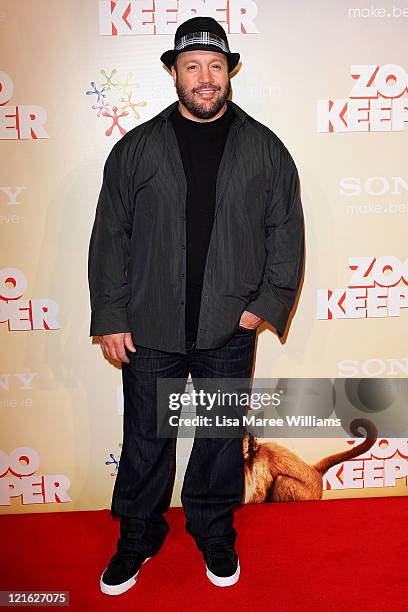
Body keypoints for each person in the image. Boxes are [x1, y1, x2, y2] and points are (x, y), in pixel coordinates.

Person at [88, 15, 304, 595]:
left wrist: (266, 303)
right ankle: (138, 535)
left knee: (215, 438)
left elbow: (285, 234)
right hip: (149, 325)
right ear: (173, 74)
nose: (204, 79)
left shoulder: (265, 149)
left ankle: (212, 528)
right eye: (192, 67)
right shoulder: (135, 150)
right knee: (145, 438)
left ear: (229, 72)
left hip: (228, 329)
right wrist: (110, 316)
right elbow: (110, 236)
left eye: (215, 66)